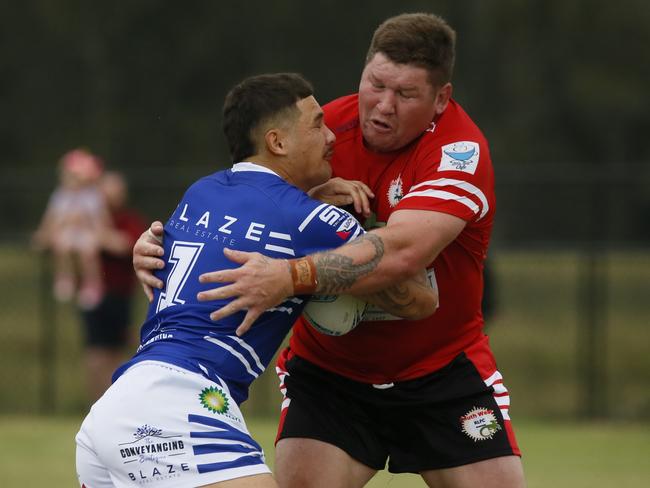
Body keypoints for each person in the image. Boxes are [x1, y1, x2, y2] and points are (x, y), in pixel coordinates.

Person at [76, 73, 437, 488]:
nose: (332, 136)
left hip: (118, 402)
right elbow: (420, 299)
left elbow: (254, 220)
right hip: (179, 403)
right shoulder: (316, 221)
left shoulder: (202, 191)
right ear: (277, 142)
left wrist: (312, 202)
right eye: (317, 124)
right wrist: (336, 254)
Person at [80, 171, 147, 402]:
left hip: (120, 295)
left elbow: (126, 245)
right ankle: (96, 405)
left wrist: (101, 237)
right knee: (96, 354)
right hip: (94, 296)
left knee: (119, 352)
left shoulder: (128, 220)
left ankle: (119, 402)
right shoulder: (87, 217)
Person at [33, 148, 110, 309]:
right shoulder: (60, 196)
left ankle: (92, 284)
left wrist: (88, 224)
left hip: (86, 233)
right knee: (62, 246)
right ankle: (64, 278)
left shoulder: (91, 196)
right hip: (67, 232)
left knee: (88, 252)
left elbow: (100, 221)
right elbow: (51, 218)